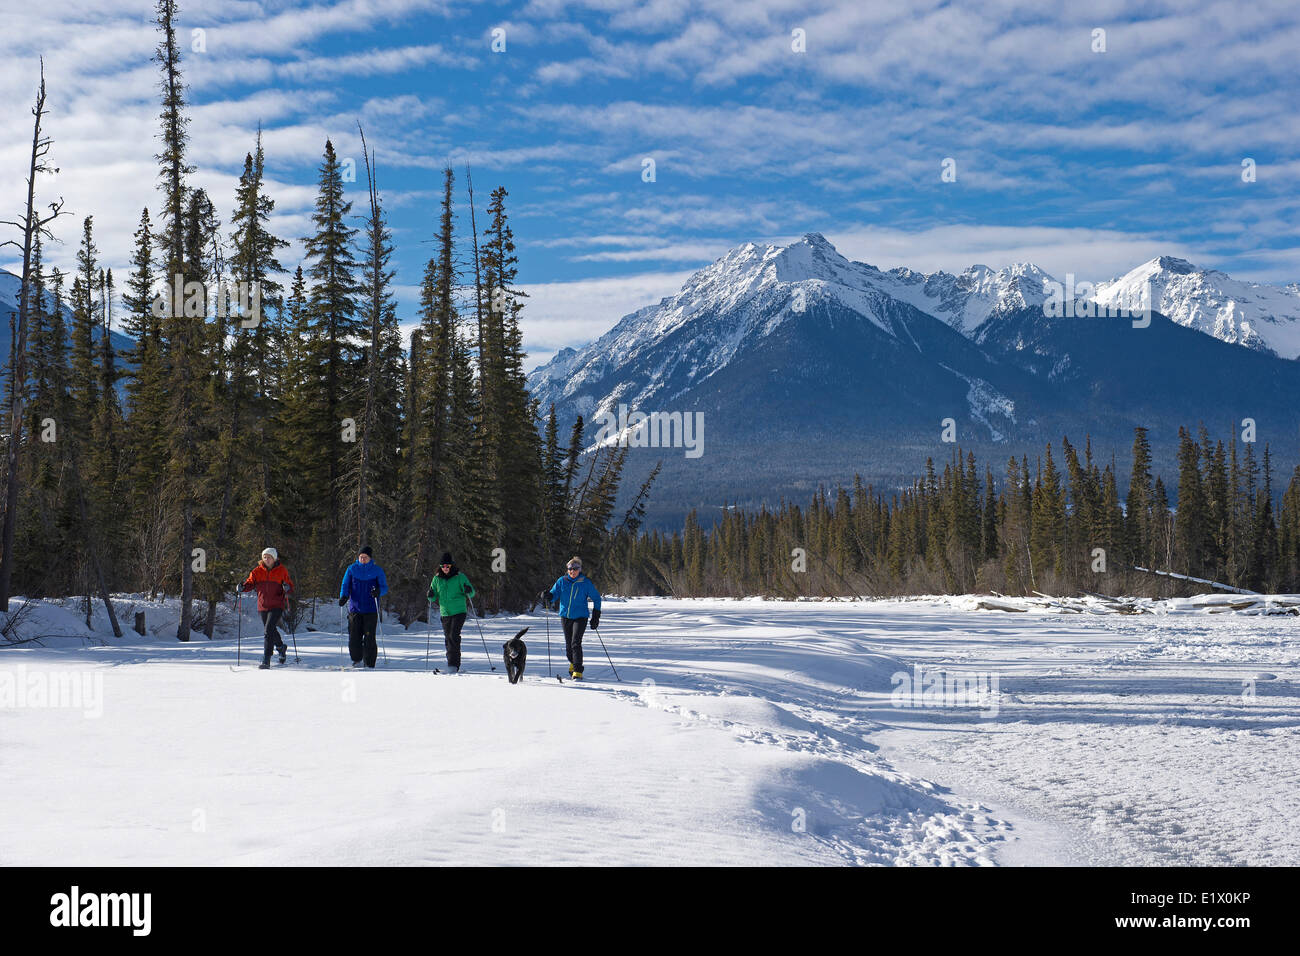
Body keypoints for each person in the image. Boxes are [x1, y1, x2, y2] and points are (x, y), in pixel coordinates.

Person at [544, 556, 602, 680]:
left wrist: (596, 616)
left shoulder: (585, 582)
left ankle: (578, 671)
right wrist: (548, 596)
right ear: (567, 569)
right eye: (570, 568)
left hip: (580, 617)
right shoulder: (562, 581)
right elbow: (554, 594)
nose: (572, 571)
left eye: (575, 568)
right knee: (568, 646)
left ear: (580, 569)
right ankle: (573, 662)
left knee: (576, 643)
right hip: (565, 616)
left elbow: (597, 598)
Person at [242, 547, 294, 669]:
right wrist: (243, 587)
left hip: (277, 605)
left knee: (268, 630)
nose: (266, 559)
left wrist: (287, 588)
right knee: (270, 630)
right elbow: (250, 583)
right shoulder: (257, 571)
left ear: (274, 558)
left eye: (269, 557)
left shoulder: (281, 571)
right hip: (263, 605)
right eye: (264, 557)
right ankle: (281, 647)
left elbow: (290, 586)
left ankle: (266, 658)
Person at [339, 545, 388, 668]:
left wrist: (378, 591)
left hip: (371, 609)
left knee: (369, 637)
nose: (362, 559)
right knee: (354, 636)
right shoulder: (351, 569)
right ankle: (356, 659)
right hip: (355, 609)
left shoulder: (377, 570)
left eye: (365, 557)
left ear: (370, 558)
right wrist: (344, 596)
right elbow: (345, 584)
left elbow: (384, 587)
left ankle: (369, 662)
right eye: (361, 557)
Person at [428, 552, 476, 674]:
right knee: (448, 637)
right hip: (445, 612)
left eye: (447, 566)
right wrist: (430, 595)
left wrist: (468, 590)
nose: (445, 568)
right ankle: (451, 663)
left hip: (459, 611)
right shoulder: (436, 578)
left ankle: (453, 664)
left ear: (451, 566)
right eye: (443, 566)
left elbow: (471, 593)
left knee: (453, 636)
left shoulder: (460, 577)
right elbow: (432, 597)